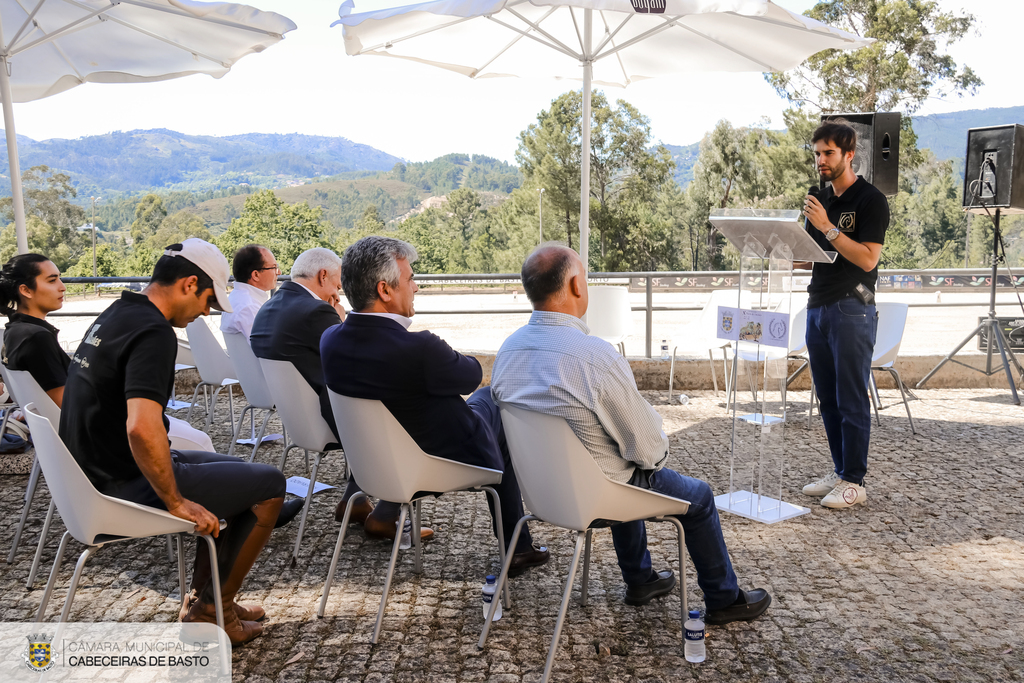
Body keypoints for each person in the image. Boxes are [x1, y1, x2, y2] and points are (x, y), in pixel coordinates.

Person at [491, 245, 770, 624]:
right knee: (693, 494)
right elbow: (649, 449)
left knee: (616, 460)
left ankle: (641, 579)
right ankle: (724, 598)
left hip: (541, 497)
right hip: (599, 497)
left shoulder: (507, 350)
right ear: (576, 285)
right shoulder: (595, 357)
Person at [59, 239, 287, 646]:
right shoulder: (154, 333)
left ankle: (208, 602)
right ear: (188, 283)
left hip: (91, 473)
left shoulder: (118, 312)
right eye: (207, 301)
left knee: (236, 470)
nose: (206, 312)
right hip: (122, 482)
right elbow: (141, 429)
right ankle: (214, 613)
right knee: (269, 486)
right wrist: (176, 502)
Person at [320, 236, 549, 573]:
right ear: (385, 290)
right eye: (411, 279)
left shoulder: (330, 339)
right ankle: (517, 545)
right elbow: (471, 374)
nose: (415, 288)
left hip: (377, 463)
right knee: (495, 404)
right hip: (436, 460)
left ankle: (386, 511)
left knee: (483, 403)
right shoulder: (418, 349)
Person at [250, 248, 426, 541]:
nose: (339, 291)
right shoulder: (315, 311)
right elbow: (357, 358)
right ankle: (386, 516)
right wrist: (341, 321)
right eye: (337, 284)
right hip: (331, 416)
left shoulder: (269, 307)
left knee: (375, 407)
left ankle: (354, 502)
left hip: (298, 419)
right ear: (322, 276)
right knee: (405, 412)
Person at [0, 253, 217, 453]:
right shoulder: (36, 339)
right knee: (201, 441)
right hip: (96, 437)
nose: (62, 287)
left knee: (182, 426)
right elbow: (68, 401)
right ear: (26, 290)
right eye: (52, 280)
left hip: (74, 431)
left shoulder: (14, 332)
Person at [798, 120, 889, 509]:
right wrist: (775, 245)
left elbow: (868, 258)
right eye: (817, 153)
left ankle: (855, 481)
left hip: (851, 307)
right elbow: (810, 256)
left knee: (851, 397)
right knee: (828, 399)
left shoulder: (870, 200)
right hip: (817, 306)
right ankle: (839, 471)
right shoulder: (819, 199)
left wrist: (827, 227)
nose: (821, 160)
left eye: (829, 153)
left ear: (849, 154)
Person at [221, 244, 279, 341]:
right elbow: (267, 348)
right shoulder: (249, 307)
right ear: (256, 275)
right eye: (273, 268)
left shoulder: (235, 298)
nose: (279, 272)